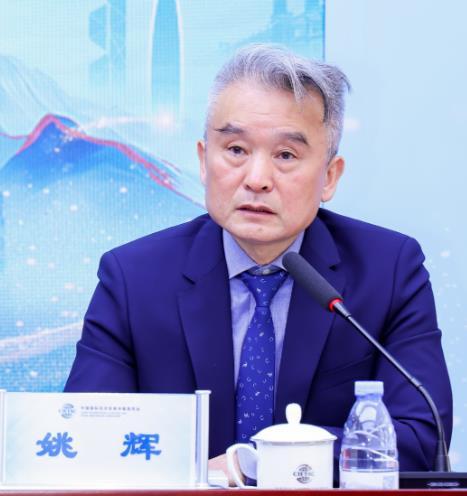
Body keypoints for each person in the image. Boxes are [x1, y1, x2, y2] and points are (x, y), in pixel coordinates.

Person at [65, 44, 452, 481]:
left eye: (286, 155)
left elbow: (420, 439)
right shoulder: (133, 279)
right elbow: (85, 443)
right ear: (204, 161)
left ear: (329, 176)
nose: (256, 179)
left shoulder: (389, 271)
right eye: (235, 149)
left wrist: (254, 462)